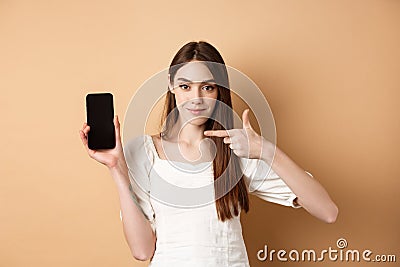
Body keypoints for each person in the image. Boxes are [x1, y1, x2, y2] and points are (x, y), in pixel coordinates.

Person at [79, 41, 338, 266]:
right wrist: (117, 170)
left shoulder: (238, 148)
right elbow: (142, 250)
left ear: (220, 89)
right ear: (170, 85)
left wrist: (266, 150)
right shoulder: (143, 151)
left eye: (207, 87)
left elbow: (327, 211)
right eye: (185, 86)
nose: (196, 99)